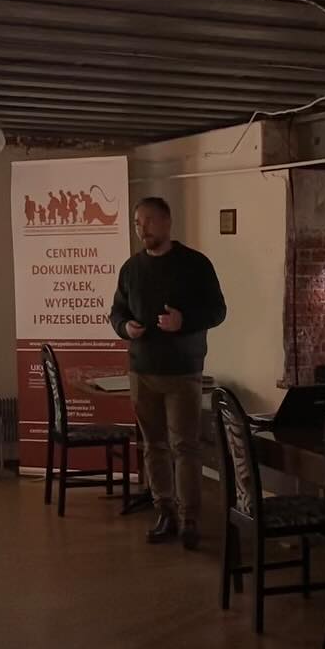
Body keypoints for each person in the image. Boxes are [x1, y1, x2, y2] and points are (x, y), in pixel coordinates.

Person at [109, 197, 226, 550]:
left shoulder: (195, 264)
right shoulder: (131, 268)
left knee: (184, 446)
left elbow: (218, 310)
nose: (141, 228)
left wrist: (183, 321)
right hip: (142, 370)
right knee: (153, 446)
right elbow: (117, 311)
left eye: (147, 221)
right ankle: (164, 511)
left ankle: (190, 517)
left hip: (182, 371)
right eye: (137, 222)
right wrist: (125, 327)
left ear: (166, 221)